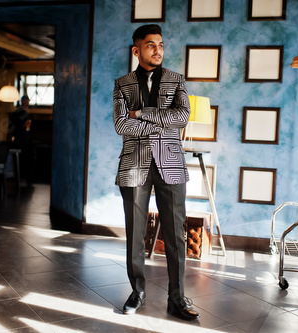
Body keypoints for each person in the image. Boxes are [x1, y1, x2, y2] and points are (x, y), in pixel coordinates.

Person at [113, 24, 200, 320]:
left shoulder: (176, 80)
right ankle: (137, 291)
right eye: (151, 45)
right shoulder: (122, 83)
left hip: (171, 165)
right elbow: (121, 125)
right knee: (135, 234)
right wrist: (159, 122)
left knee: (176, 235)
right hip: (134, 165)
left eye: (161, 44)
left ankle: (177, 296)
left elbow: (183, 116)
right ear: (137, 50)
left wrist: (142, 113)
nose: (158, 49)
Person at [8, 95, 34, 186]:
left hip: (26, 140)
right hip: (20, 141)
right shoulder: (16, 114)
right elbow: (12, 128)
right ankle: (19, 179)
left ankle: (27, 179)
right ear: (23, 102)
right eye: (26, 102)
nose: (27, 104)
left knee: (28, 160)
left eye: (28, 102)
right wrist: (22, 126)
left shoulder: (27, 113)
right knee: (20, 161)